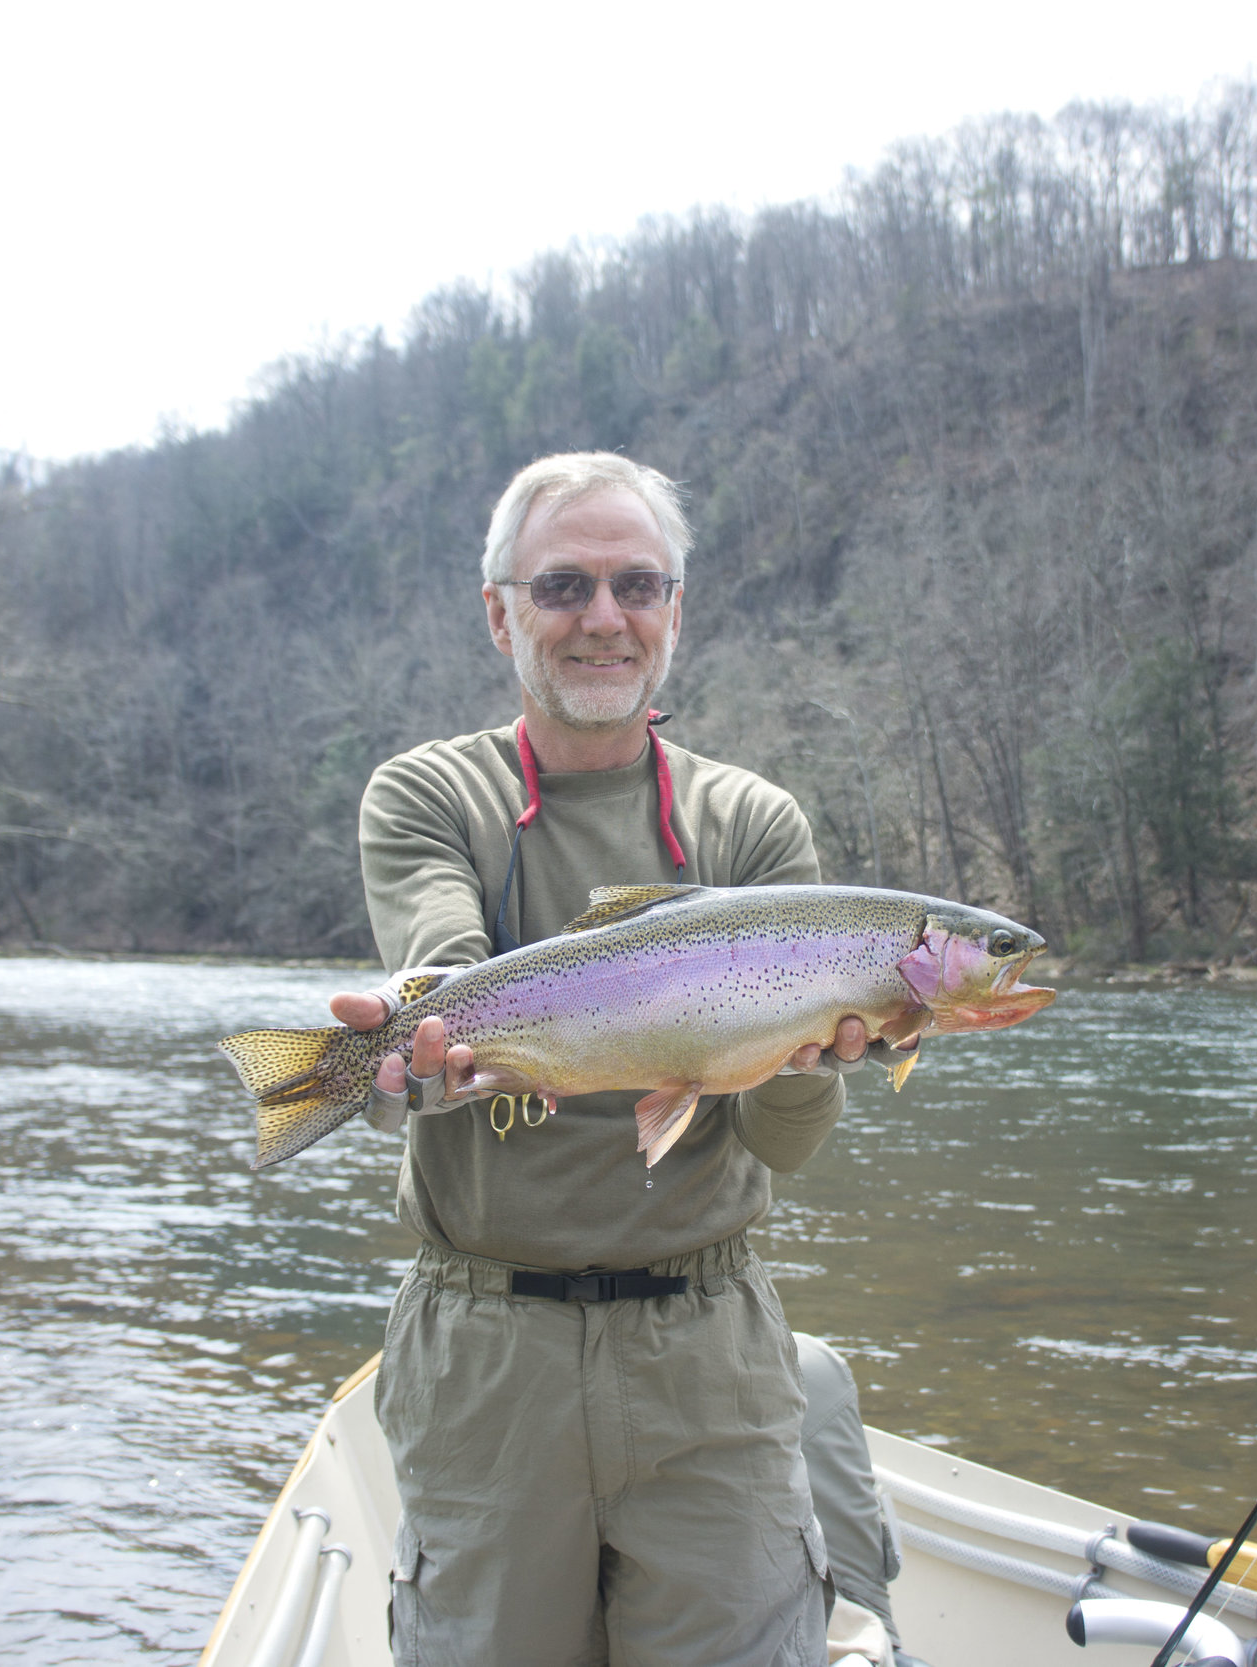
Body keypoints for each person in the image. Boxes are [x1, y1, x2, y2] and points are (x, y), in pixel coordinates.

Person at [331, 453, 894, 1667]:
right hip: (486, 1357)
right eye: (563, 586)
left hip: (708, 1351)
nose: (604, 617)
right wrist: (399, 1048)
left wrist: (807, 1053)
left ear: (675, 607)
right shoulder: (432, 793)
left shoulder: (751, 826)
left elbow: (781, 1144)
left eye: (636, 582)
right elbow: (447, 965)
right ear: (499, 612)